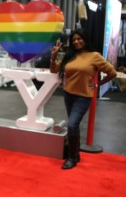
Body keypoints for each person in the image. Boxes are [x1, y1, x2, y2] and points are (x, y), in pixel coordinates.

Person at [50, 28, 117, 169]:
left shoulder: (94, 56)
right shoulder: (70, 55)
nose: (76, 41)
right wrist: (54, 56)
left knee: (72, 124)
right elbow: (54, 70)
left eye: (79, 38)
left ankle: (72, 157)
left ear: (85, 39)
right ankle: (76, 154)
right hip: (68, 94)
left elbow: (112, 72)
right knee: (74, 126)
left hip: (83, 96)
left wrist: (98, 83)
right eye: (74, 40)